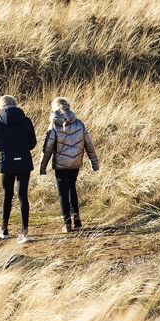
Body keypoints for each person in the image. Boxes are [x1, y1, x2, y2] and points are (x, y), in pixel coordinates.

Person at [39, 97, 99, 233]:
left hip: (61, 164)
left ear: (55, 109)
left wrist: (43, 166)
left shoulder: (54, 125)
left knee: (63, 193)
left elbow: (47, 147)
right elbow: (89, 144)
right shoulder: (79, 123)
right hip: (76, 163)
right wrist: (94, 162)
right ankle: (76, 215)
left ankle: (67, 223)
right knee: (72, 187)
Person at [0, 95, 37, 242]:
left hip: (6, 162)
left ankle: (4, 229)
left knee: (7, 195)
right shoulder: (26, 121)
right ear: (16, 105)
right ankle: (24, 231)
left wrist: (1, 145)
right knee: (22, 196)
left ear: (1, 106)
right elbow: (32, 143)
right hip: (24, 162)